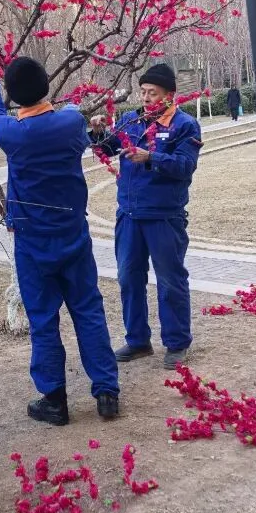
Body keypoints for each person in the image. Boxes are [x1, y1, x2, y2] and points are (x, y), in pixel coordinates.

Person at [0, 56, 120, 426]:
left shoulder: (13, 133)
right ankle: (107, 392)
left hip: (33, 241)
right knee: (88, 311)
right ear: (45, 86)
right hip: (73, 234)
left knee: (43, 318)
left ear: (14, 96)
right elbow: (71, 112)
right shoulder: (71, 122)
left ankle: (54, 400)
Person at [89, 63, 201, 370]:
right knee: (128, 277)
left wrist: (151, 157)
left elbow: (184, 167)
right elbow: (107, 147)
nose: (146, 97)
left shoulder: (184, 125)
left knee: (170, 280)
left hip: (164, 216)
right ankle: (138, 340)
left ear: (169, 95)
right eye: (143, 91)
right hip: (129, 215)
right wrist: (98, 132)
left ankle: (177, 342)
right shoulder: (131, 120)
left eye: (153, 92)